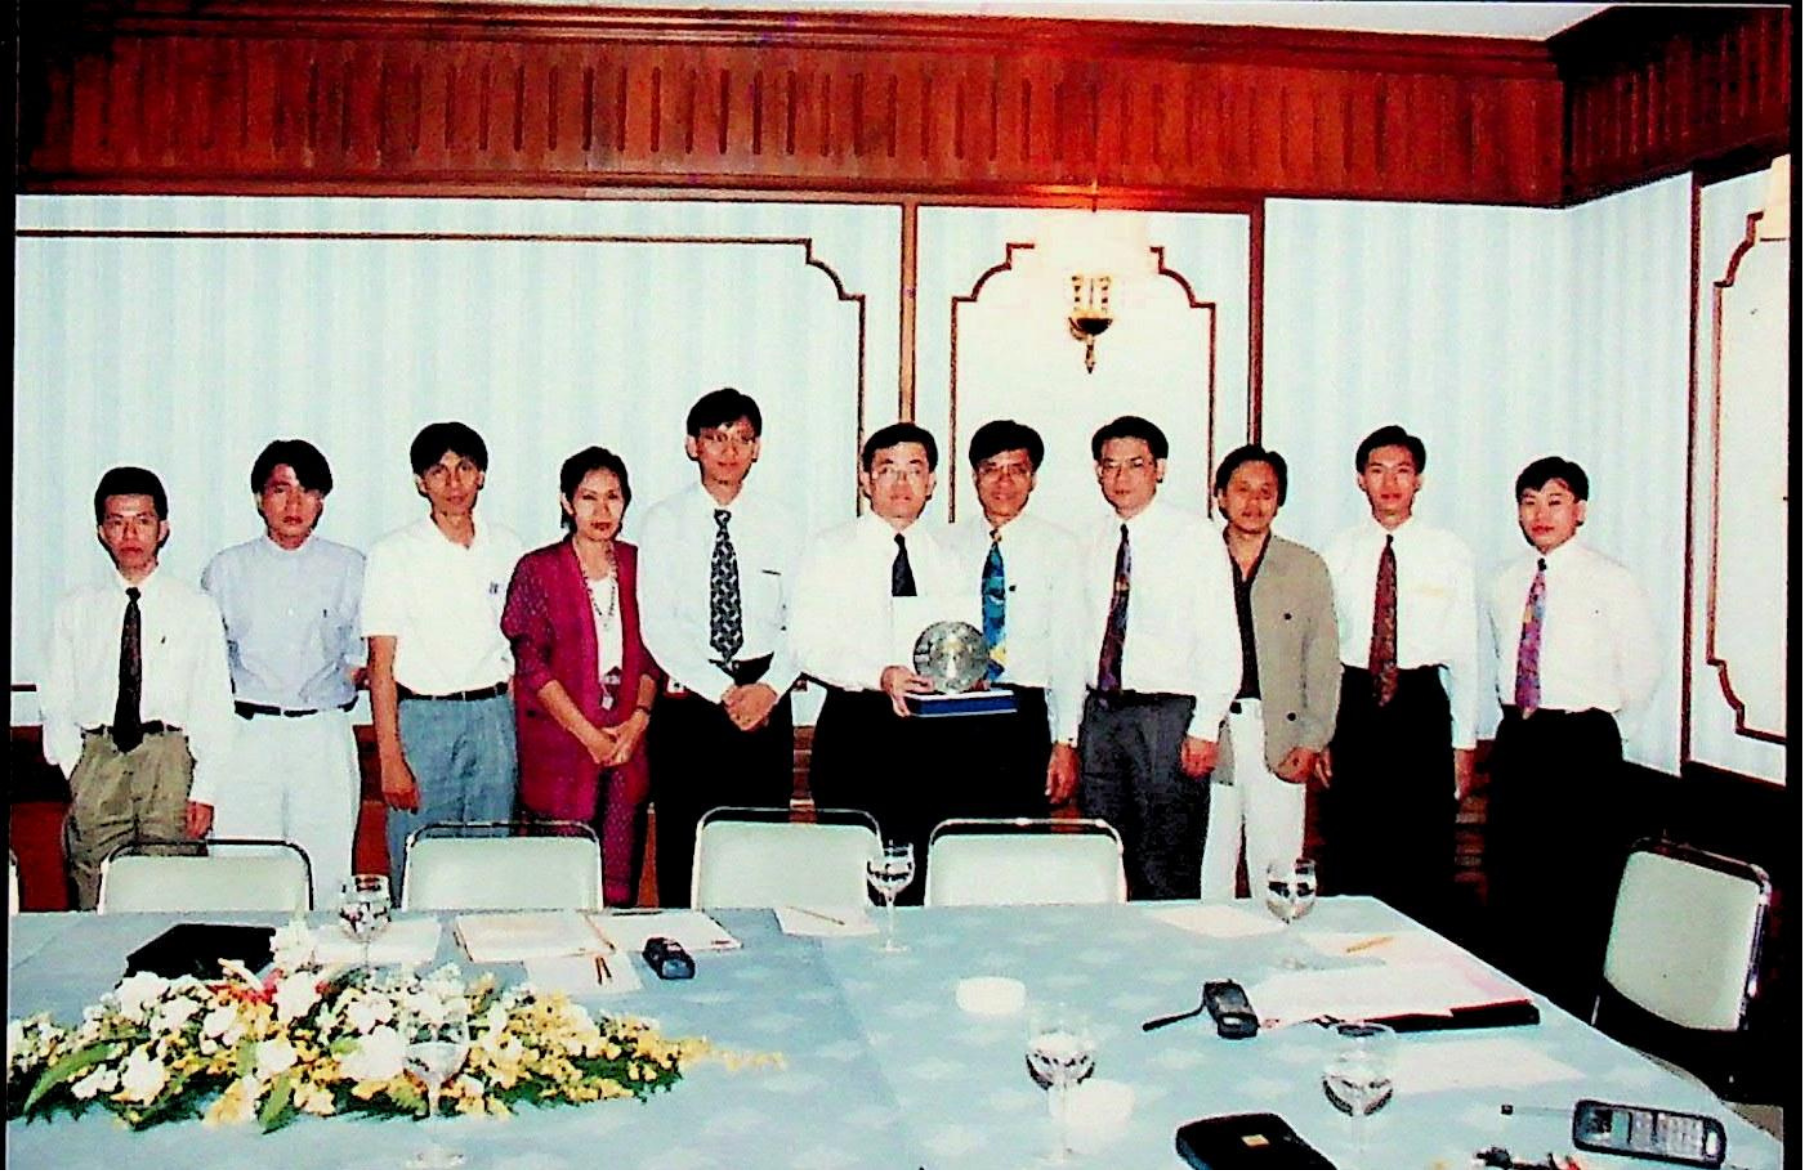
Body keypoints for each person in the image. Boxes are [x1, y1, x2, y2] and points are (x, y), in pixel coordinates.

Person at [1485, 456, 1658, 1012]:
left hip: (1583, 745)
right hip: (1520, 741)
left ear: (1579, 511)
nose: (1541, 514)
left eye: (1555, 502)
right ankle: (1518, 1012)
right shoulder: (1505, 581)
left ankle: (1575, 1019)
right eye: (1529, 502)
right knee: (1514, 884)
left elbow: (1642, 673)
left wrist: (1597, 734)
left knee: (1578, 893)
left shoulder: (1612, 579)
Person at [40, 467, 235, 909]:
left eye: (143, 521)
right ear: (101, 531)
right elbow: (56, 699)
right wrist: (75, 768)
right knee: (96, 886)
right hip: (98, 759)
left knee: (170, 888)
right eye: (117, 522)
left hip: (168, 760)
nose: (130, 534)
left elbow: (212, 705)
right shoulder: (76, 608)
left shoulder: (195, 608)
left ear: (162, 529)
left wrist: (204, 790)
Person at [639, 389, 803, 907]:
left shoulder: (784, 523)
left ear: (757, 448)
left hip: (765, 698)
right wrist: (725, 692)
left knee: (760, 852)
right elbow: (658, 626)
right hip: (691, 700)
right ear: (693, 446)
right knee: (683, 850)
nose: (729, 450)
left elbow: (804, 621)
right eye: (716, 438)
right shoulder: (664, 521)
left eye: (742, 439)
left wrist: (769, 689)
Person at [791, 422, 966, 898]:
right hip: (856, 727)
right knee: (853, 878)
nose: (901, 482)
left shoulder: (949, 558)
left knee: (925, 875)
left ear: (932, 482)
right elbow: (806, 644)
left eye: (915, 470)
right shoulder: (829, 550)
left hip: (934, 734)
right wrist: (879, 675)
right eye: (888, 469)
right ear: (866, 479)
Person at [1320, 424, 1478, 931]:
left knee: (1422, 856)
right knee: (1351, 850)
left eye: (1402, 471)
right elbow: (1323, 651)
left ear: (1419, 481)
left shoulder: (1449, 551)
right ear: (1360, 479)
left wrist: (1463, 744)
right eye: (1377, 471)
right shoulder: (1338, 551)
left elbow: (1465, 657)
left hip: (1420, 706)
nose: (1390, 483)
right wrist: (1322, 732)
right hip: (1353, 706)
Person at [1076, 416, 1239, 901]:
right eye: (1110, 465)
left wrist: (1206, 725)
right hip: (1102, 716)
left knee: (1167, 863)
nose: (1121, 477)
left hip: (1167, 718)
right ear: (1097, 472)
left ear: (1159, 469)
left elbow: (1220, 639)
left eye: (1135, 464)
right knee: (1104, 858)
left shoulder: (1195, 538)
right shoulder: (1089, 541)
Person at [362, 422, 526, 896]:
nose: (454, 483)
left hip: (494, 718)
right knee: (421, 866)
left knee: (489, 867)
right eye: (439, 471)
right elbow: (380, 664)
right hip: (424, 721)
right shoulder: (394, 553)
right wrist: (390, 759)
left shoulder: (509, 547)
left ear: (481, 476)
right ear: (421, 482)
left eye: (465, 468)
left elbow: (518, 651)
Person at [202, 440, 366, 907]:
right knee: (242, 872)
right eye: (280, 490)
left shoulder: (350, 567)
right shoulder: (227, 569)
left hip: (323, 733)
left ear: (321, 501)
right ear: (259, 498)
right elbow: (209, 664)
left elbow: (362, 655)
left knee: (327, 872)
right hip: (246, 734)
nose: (294, 504)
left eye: (307, 491)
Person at [501, 447, 660, 907]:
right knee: (559, 894)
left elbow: (655, 654)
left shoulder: (640, 566)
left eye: (613, 497)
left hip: (627, 747)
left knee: (618, 891)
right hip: (561, 751)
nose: (602, 510)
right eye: (589, 497)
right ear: (567, 502)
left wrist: (638, 720)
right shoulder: (538, 569)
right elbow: (530, 663)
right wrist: (588, 735)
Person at [1198, 445, 1341, 899]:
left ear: (1279, 501)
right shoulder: (1194, 560)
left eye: (1266, 492)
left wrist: (1313, 739)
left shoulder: (1305, 567)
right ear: (1220, 496)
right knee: (1208, 869)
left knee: (1277, 871)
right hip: (1208, 732)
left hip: (1279, 732)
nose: (1253, 502)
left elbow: (1322, 659)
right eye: (1242, 489)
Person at [946, 419, 1083, 816]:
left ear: (1033, 479)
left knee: (1019, 840)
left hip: (1023, 715)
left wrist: (1065, 741)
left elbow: (1069, 650)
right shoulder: (943, 544)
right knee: (949, 835)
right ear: (975, 477)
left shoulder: (1060, 548)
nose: (1003, 482)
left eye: (1016, 470)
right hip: (953, 712)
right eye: (991, 469)